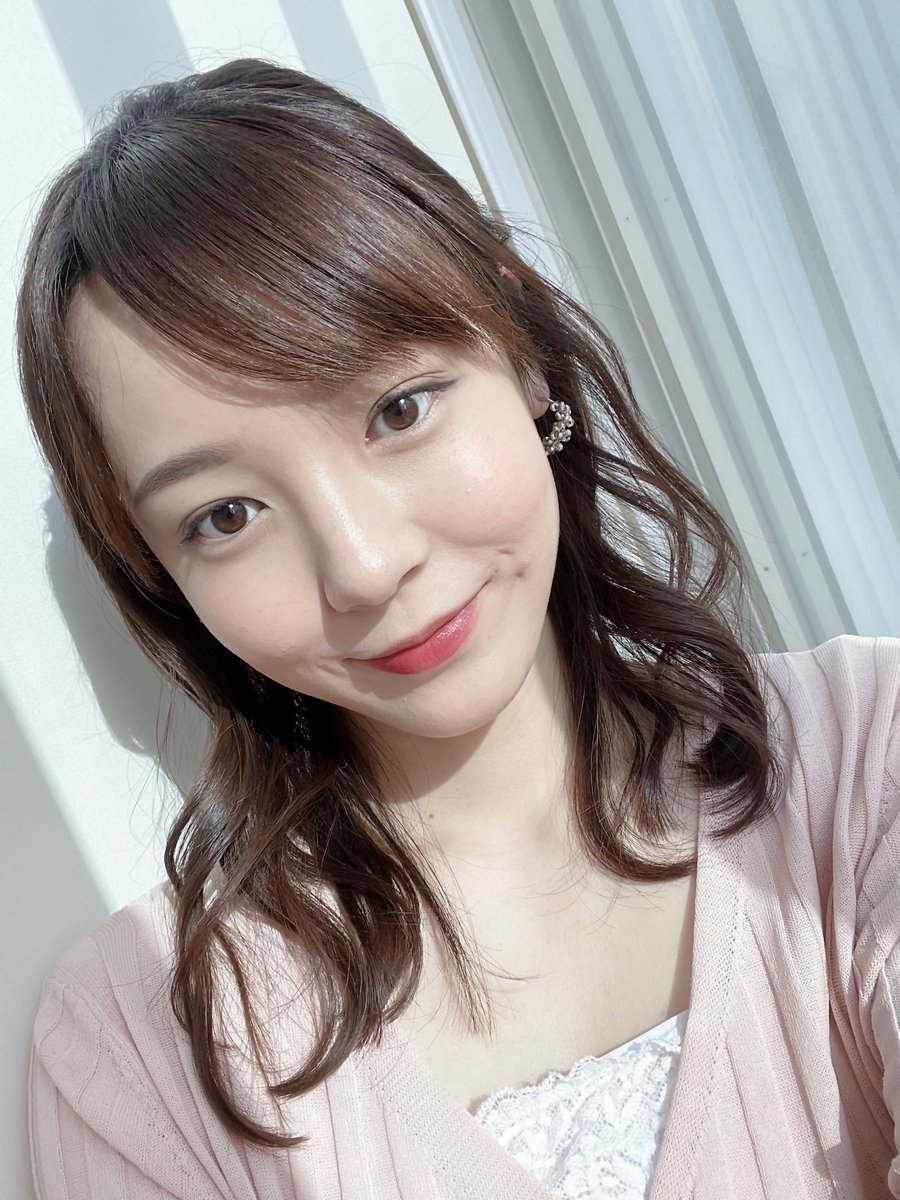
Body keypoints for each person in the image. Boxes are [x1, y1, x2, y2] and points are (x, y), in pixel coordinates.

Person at [16, 58, 900, 1200]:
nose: (364, 564)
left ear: (522, 357)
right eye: (226, 515)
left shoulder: (861, 757)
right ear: (162, 577)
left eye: (399, 409)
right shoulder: (144, 1051)